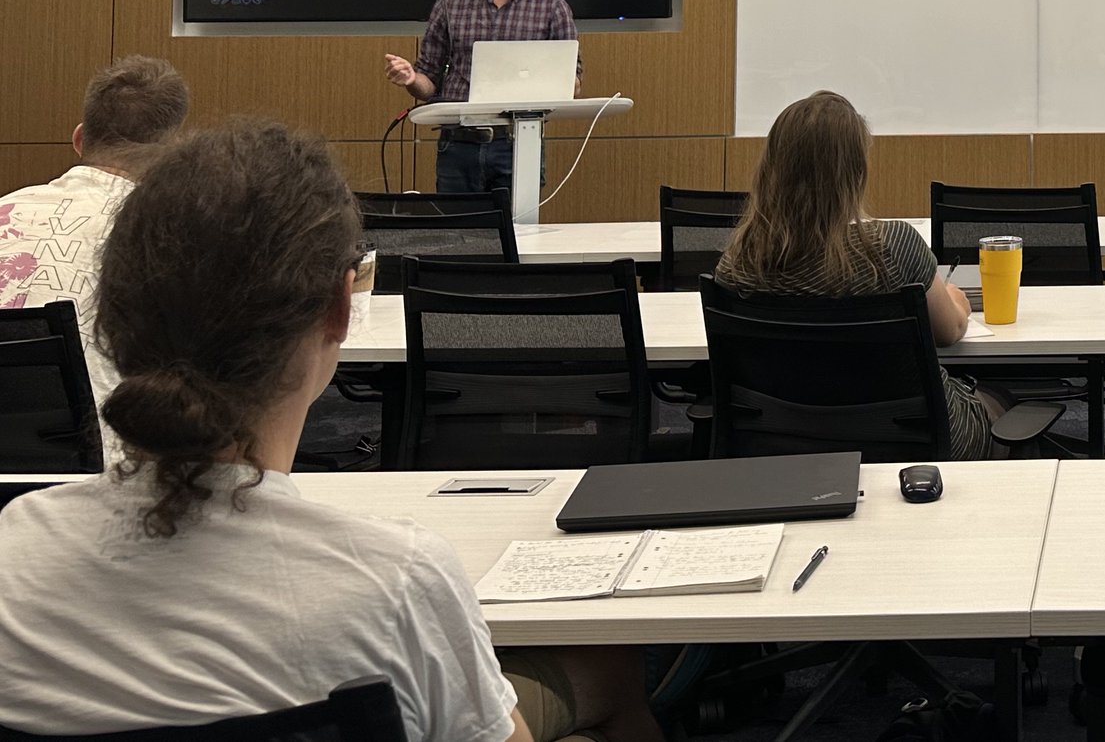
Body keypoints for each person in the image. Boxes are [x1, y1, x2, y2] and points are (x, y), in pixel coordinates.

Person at [0, 119, 663, 742]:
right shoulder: (397, 582)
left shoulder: (11, 548)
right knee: (610, 674)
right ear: (340, 308)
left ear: (113, 313)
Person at [715, 90, 1002, 460]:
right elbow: (948, 333)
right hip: (910, 443)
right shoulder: (892, 247)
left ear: (771, 167)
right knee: (1000, 402)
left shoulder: (737, 263)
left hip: (783, 443)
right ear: (855, 172)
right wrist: (957, 302)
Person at [0, 55, 189, 464]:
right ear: (174, 153)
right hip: (105, 467)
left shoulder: (6, 209)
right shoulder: (174, 234)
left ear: (80, 139)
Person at [384, 0, 581, 193]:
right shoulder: (450, 6)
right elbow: (428, 84)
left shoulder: (552, 8)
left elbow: (573, 85)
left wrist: (555, 81)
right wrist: (411, 79)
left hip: (518, 143)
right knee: (458, 234)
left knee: (518, 236)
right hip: (457, 146)